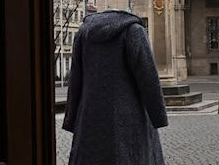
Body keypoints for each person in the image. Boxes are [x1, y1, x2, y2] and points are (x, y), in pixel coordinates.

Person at [62, 10, 168, 165]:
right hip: (129, 121)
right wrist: (159, 117)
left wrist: (71, 120)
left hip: (90, 120)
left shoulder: (83, 34)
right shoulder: (134, 32)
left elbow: (76, 80)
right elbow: (148, 77)